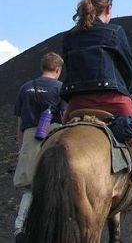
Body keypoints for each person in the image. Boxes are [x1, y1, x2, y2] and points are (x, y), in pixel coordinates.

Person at [60, 0, 132, 224]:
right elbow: (127, 69)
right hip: (114, 101)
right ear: (109, 8)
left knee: (54, 140)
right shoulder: (115, 32)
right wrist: (126, 93)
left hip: (75, 104)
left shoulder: (69, 38)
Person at [13, 52, 66, 240]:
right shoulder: (61, 88)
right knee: (55, 184)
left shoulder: (25, 88)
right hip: (54, 137)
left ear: (42, 67)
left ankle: (20, 229)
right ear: (58, 69)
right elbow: (66, 116)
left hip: (29, 138)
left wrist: (22, 147)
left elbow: (20, 122)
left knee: (30, 187)